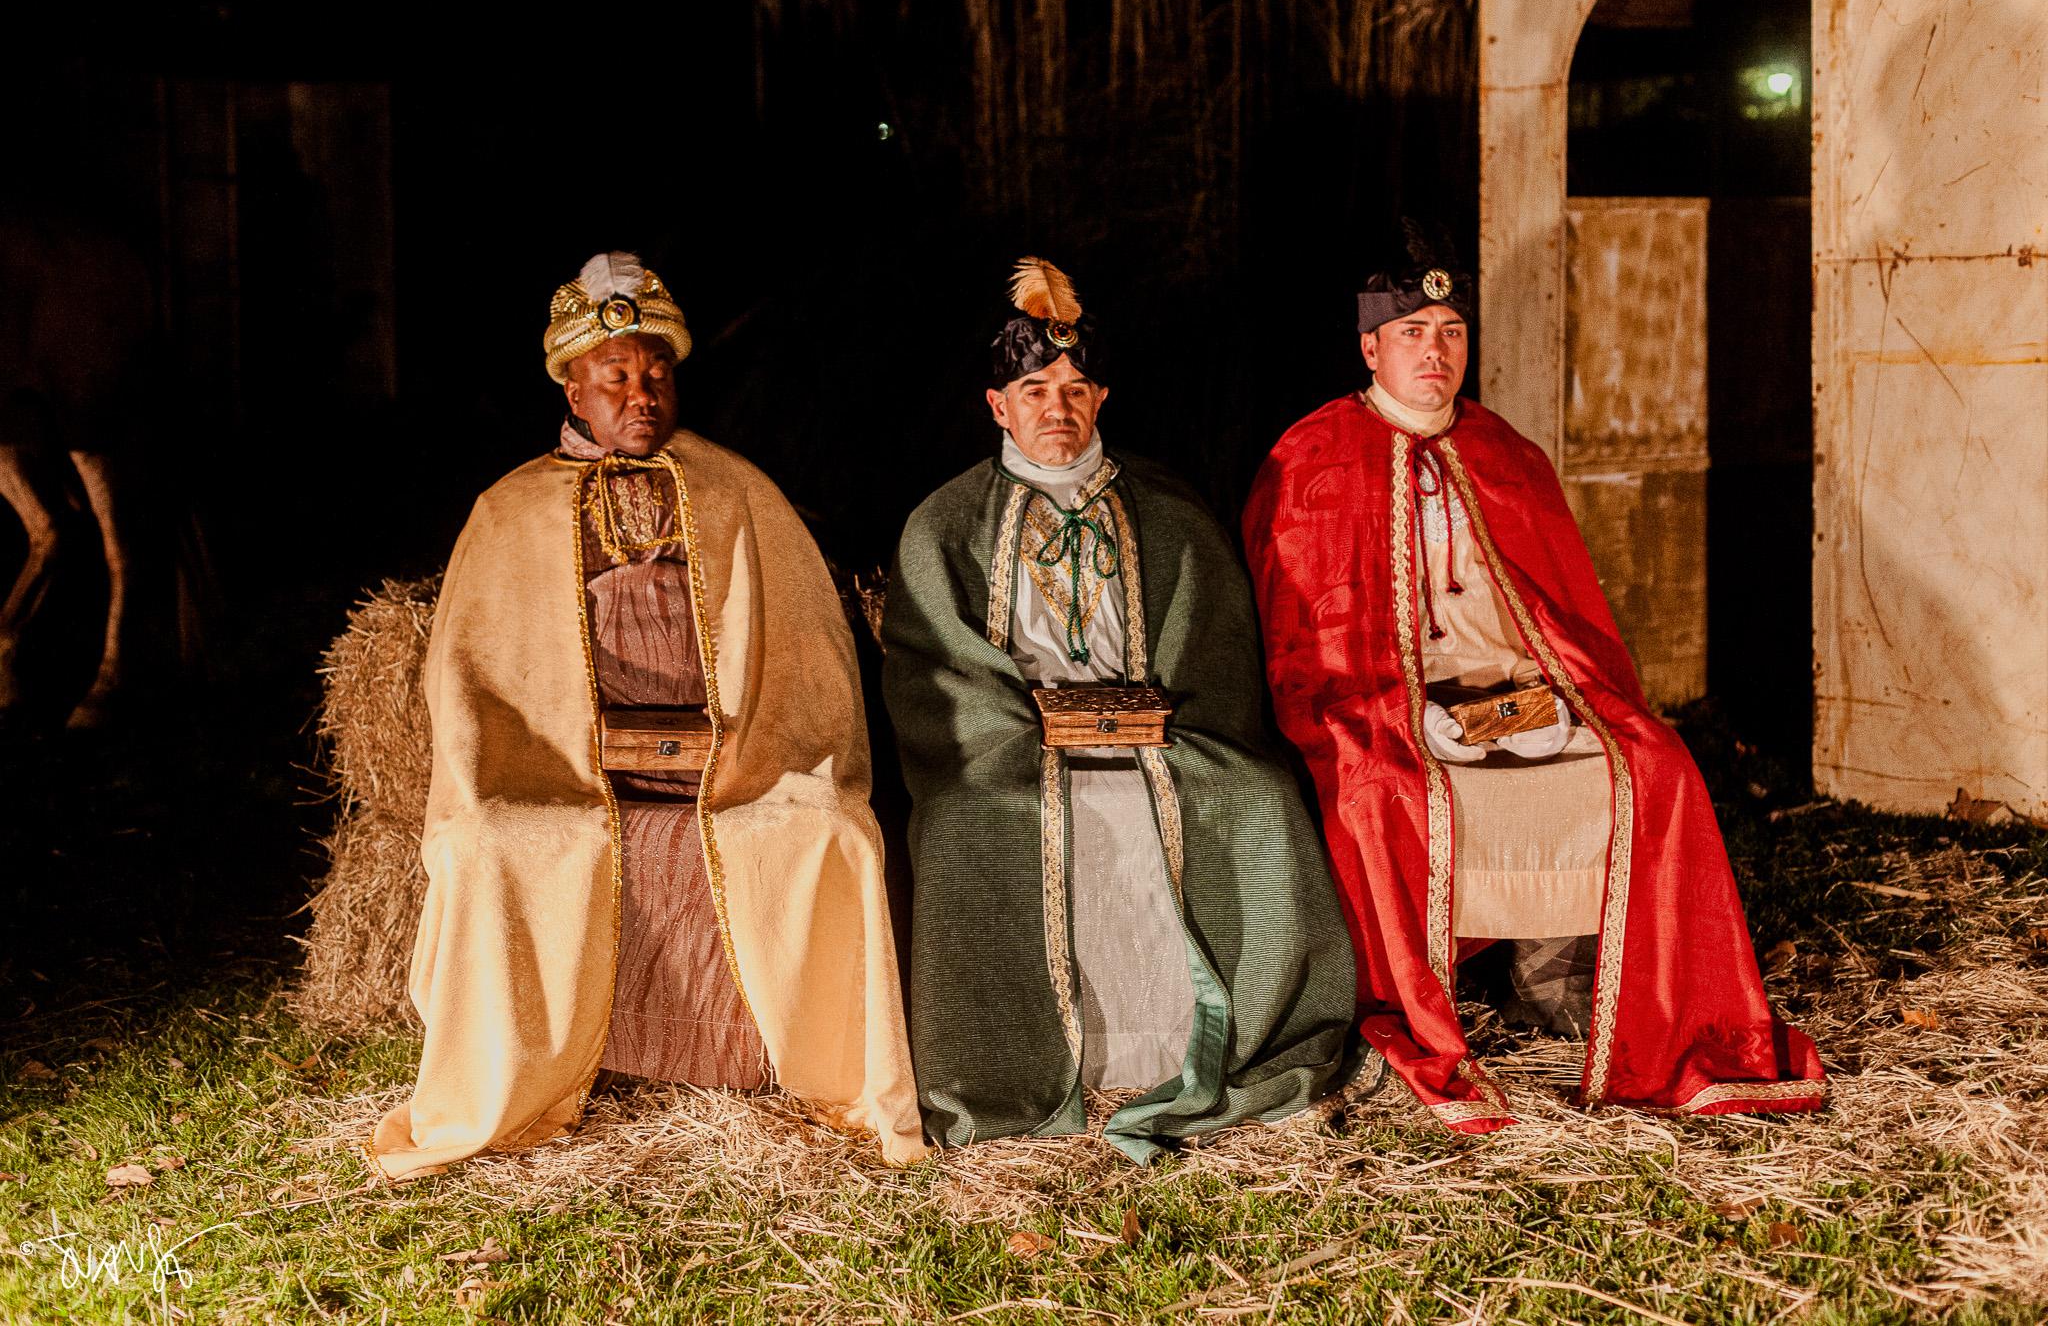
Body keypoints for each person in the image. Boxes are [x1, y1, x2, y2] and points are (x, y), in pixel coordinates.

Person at [1241, 241, 1826, 1130]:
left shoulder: (1503, 451)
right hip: (1387, 696)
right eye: (1411, 332)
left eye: (1450, 331)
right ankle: (1401, 997)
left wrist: (1541, 688)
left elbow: (1565, 610)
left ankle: (1558, 970)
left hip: (1521, 687)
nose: (1434, 351)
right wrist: (1383, 703)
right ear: (1370, 349)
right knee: (1379, 790)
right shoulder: (1313, 455)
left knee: (1652, 765)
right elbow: (1301, 629)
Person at [371, 253, 923, 1177]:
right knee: (491, 847)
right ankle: (539, 1071)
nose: (641, 393)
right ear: (574, 389)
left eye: (657, 373)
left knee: (832, 831)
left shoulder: (738, 490)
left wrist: (745, 739)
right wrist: (542, 759)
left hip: (732, 765)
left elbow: (803, 656)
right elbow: (471, 682)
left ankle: (806, 1064)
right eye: (616, 377)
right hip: (559, 773)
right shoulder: (506, 513)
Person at [881, 257, 1356, 1162]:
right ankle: (1014, 1069)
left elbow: (1214, 653)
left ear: (1102, 397)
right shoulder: (942, 524)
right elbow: (933, 668)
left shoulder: (1170, 512)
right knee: (965, 826)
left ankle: (1234, 1040)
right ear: (998, 406)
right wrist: (1022, 732)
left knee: (1259, 796)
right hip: (1011, 752)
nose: (1055, 407)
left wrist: (1161, 719)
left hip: (1167, 739)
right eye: (1033, 388)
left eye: (1074, 388)